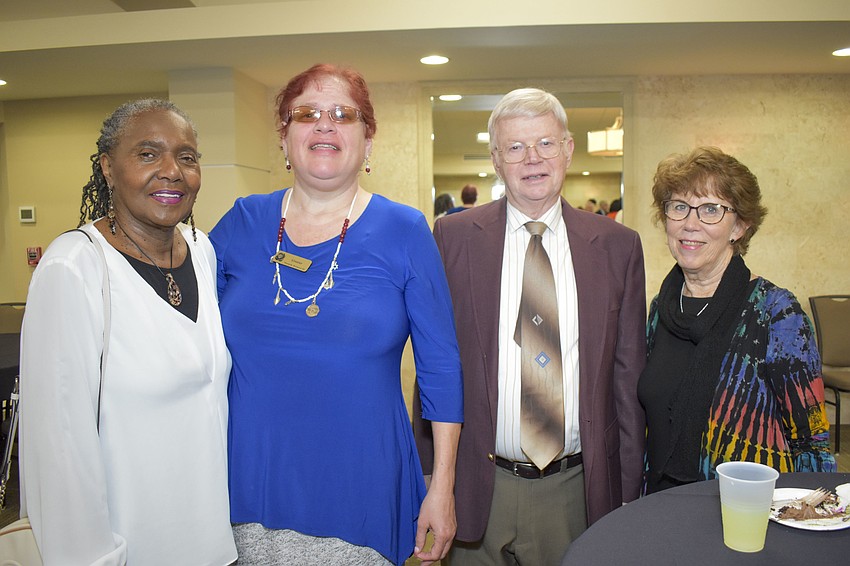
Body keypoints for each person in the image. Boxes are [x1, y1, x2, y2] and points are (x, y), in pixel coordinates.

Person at [210, 64, 463, 566]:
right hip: (245, 482)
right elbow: (185, 333)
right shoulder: (242, 221)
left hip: (360, 486)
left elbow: (441, 367)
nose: (324, 124)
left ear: (368, 142)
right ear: (284, 137)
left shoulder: (405, 230)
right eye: (306, 113)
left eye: (343, 115)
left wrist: (443, 487)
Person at [414, 88, 647, 565]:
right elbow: (434, 363)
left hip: (577, 490)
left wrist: (629, 492)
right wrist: (429, 475)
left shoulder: (617, 247)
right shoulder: (453, 239)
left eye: (545, 143)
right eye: (515, 147)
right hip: (477, 485)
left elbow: (628, 379)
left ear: (568, 150)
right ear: (496, 160)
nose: (532, 158)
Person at [18, 99, 236, 565]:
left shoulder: (201, 250)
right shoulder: (74, 267)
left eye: (187, 157)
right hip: (127, 550)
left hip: (214, 544)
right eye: (148, 154)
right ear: (108, 168)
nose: (172, 171)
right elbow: (59, 449)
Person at [639, 146, 836, 495]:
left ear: (740, 226)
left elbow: (811, 440)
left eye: (710, 209)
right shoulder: (661, 309)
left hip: (742, 507)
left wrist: (809, 513)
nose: (690, 224)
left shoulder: (776, 312)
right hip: (658, 502)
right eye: (679, 206)